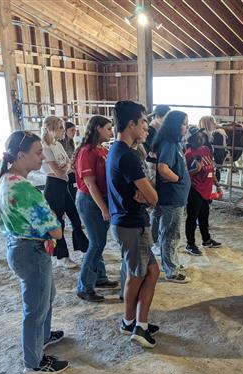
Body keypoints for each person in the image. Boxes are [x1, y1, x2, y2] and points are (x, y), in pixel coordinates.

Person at [0, 130, 68, 374]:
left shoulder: (6, 179)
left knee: (45, 296)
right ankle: (34, 362)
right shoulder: (24, 189)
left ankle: (43, 337)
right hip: (31, 251)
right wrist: (54, 221)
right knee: (35, 307)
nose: (42, 158)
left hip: (20, 247)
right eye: (38, 153)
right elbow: (55, 231)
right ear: (21, 155)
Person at [107, 101, 160, 348]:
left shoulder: (119, 151)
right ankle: (134, 324)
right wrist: (147, 196)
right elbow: (154, 197)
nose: (146, 128)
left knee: (150, 271)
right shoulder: (126, 156)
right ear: (131, 124)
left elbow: (148, 195)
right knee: (137, 275)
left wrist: (146, 196)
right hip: (131, 223)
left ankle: (138, 322)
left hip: (131, 220)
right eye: (143, 123)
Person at [74, 115, 119, 302]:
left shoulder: (101, 149)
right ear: (98, 128)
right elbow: (90, 184)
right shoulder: (87, 152)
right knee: (96, 243)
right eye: (108, 128)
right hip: (91, 201)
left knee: (99, 242)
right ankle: (84, 286)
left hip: (101, 200)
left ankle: (100, 277)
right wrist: (104, 209)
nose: (111, 132)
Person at [41, 116, 88, 268]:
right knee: (58, 222)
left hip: (63, 185)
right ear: (50, 129)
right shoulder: (45, 147)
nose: (63, 131)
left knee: (74, 217)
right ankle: (62, 256)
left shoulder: (58, 145)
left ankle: (84, 247)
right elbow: (57, 171)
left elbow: (68, 162)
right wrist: (65, 168)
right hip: (54, 186)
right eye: (60, 128)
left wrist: (65, 168)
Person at [151, 110, 191, 283]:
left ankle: (171, 262)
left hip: (175, 197)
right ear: (175, 125)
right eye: (183, 123)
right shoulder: (169, 144)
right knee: (171, 233)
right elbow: (163, 167)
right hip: (172, 198)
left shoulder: (174, 143)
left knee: (170, 231)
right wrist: (179, 179)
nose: (186, 126)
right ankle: (171, 270)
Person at [184, 126, 222, 256]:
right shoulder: (189, 153)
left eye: (202, 136)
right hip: (195, 189)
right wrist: (196, 170)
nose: (201, 138)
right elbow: (184, 174)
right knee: (192, 217)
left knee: (204, 216)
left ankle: (206, 240)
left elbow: (211, 169)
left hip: (206, 189)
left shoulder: (206, 150)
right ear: (192, 139)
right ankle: (190, 243)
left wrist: (217, 185)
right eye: (198, 137)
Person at [144, 105, 170, 256]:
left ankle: (156, 238)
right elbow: (150, 151)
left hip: (159, 166)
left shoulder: (158, 130)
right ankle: (153, 241)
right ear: (159, 116)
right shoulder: (151, 130)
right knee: (155, 205)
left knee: (159, 205)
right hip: (152, 168)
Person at [198, 115, 227, 181]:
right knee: (207, 180)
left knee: (210, 179)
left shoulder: (209, 136)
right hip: (204, 167)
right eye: (213, 122)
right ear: (207, 124)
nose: (215, 124)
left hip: (208, 166)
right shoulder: (203, 137)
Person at [59, 121, 78, 199]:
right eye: (72, 130)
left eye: (75, 130)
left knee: (75, 192)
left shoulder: (72, 143)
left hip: (72, 172)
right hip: (65, 173)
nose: (74, 132)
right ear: (65, 131)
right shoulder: (60, 144)